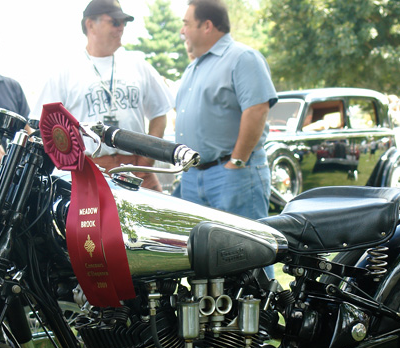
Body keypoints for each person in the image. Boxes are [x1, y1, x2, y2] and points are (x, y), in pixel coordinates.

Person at [33, 0, 173, 191]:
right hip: (90, 171)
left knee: (158, 220)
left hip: (137, 170)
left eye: (124, 23)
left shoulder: (138, 65)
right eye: (115, 22)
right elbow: (41, 126)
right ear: (90, 24)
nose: (122, 28)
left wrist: (147, 157)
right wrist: (73, 164)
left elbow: (160, 112)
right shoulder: (65, 72)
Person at [173, 0, 277, 219]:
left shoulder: (242, 58)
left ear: (207, 26)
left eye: (187, 24)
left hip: (232, 175)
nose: (182, 31)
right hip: (194, 177)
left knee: (244, 250)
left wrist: (236, 162)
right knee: (200, 251)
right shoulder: (194, 67)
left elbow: (257, 110)